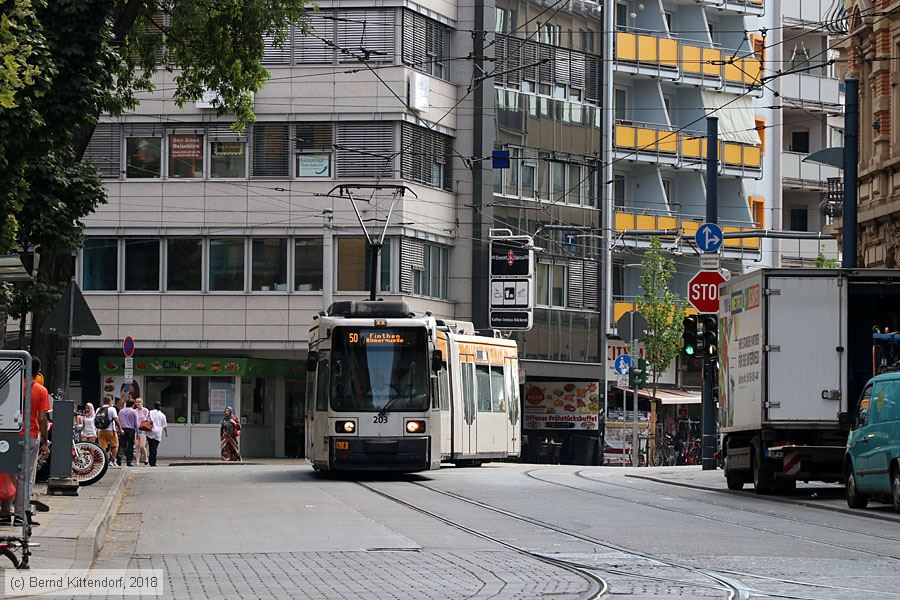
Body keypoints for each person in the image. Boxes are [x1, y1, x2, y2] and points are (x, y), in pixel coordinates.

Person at [0, 356, 50, 526]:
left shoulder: (12, 387)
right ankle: (21, 515)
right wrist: (45, 441)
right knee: (25, 477)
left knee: (7, 473)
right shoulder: (40, 390)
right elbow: (43, 418)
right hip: (30, 435)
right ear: (38, 371)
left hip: (9, 435)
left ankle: (5, 513)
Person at [96, 395, 123, 467]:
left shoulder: (98, 409)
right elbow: (116, 420)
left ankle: (104, 461)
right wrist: (120, 429)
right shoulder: (112, 409)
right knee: (115, 445)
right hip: (110, 430)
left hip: (101, 431)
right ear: (110, 401)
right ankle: (113, 460)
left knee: (103, 447)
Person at [146, 402, 168, 467]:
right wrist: (166, 432)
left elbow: (146, 419)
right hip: (158, 433)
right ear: (160, 407)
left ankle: (151, 461)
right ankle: (153, 462)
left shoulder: (150, 412)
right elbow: (164, 425)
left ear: (153, 406)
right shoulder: (162, 415)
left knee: (150, 447)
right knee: (154, 448)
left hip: (150, 432)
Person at [118, 399, 138, 467]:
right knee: (130, 446)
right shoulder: (134, 412)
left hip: (123, 429)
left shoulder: (121, 411)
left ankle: (119, 459)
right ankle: (129, 461)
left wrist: (119, 429)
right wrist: (137, 432)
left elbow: (119, 420)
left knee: (122, 445)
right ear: (133, 405)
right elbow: (136, 422)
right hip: (131, 430)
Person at [133, 397, 150, 465]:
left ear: (142, 403)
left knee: (142, 446)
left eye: (139, 402)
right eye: (137, 402)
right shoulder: (134, 410)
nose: (138, 403)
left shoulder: (145, 410)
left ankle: (146, 458)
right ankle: (137, 461)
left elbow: (148, 419)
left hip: (143, 429)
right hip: (136, 429)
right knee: (137, 446)